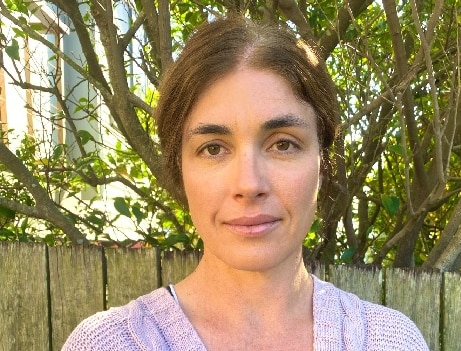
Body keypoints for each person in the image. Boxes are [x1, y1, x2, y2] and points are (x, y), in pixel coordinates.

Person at [63, 16, 429, 350]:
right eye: (213, 149)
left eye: (283, 144)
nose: (249, 184)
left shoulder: (391, 341)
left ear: (323, 164)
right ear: (180, 169)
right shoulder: (107, 344)